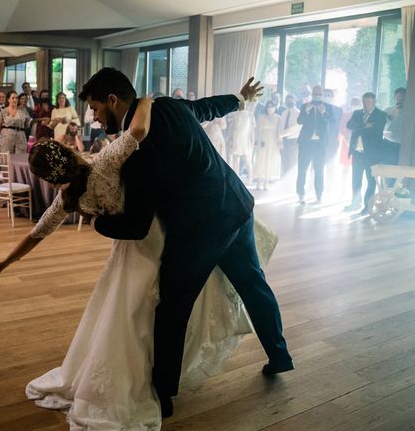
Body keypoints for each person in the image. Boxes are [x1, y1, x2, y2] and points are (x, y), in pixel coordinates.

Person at [0, 97, 275, 429]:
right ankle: (164, 379)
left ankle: (155, 384)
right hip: (159, 238)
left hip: (131, 252)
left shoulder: (68, 199)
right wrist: (146, 100)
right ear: (69, 152)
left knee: (137, 314)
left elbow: (38, 232)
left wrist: (5, 263)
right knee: (163, 311)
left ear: (49, 178)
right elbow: (137, 132)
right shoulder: (105, 161)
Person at [78, 68, 292, 419]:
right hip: (236, 205)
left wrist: (94, 219)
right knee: (254, 285)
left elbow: (136, 226)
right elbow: (204, 107)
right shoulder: (166, 106)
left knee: (172, 309)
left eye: (96, 108)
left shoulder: (135, 149)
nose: (95, 117)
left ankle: (163, 394)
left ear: (113, 101)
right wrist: (239, 100)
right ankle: (279, 354)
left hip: (199, 229)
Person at [345, 92, 386, 214]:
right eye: (364, 102)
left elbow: (376, 131)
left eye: (368, 102)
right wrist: (365, 125)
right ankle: (355, 203)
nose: (366, 105)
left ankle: (367, 206)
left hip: (372, 154)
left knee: (371, 181)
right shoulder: (357, 113)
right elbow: (348, 125)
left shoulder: (381, 114)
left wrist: (359, 126)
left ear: (374, 102)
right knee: (356, 179)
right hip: (357, 152)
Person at [296, 86, 333, 204]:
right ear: (312, 94)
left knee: (319, 170)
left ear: (322, 94)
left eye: (319, 93)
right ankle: (301, 194)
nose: (317, 95)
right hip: (305, 144)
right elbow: (299, 121)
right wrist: (306, 111)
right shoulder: (304, 106)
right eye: (315, 93)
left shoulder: (328, 107)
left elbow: (331, 121)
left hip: (320, 145)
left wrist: (323, 112)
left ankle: (319, 195)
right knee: (302, 170)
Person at [253, 100, 282, 190]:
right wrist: (258, 141)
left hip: (273, 142)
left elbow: (279, 132)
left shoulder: (278, 118)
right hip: (263, 141)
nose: (270, 109)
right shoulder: (262, 117)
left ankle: (266, 183)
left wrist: (280, 142)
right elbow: (258, 130)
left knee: (270, 161)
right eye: (268, 107)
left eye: (272, 107)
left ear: (275, 108)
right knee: (260, 160)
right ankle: (258, 182)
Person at [226, 101, 255, 183]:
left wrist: (252, 139)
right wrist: (230, 138)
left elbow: (252, 129)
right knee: (236, 158)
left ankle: (250, 178)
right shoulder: (234, 115)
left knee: (247, 158)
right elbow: (232, 128)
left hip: (245, 139)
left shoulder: (250, 115)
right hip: (236, 138)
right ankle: (237, 177)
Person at [382, 87, 405, 165]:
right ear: (395, 97)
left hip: (404, 146)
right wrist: (392, 116)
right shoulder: (388, 110)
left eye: (402, 98)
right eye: (398, 98)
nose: (400, 100)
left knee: (402, 171)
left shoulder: (411, 111)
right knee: (387, 169)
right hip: (389, 144)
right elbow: (381, 126)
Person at [279, 94, 300, 175]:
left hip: (293, 141)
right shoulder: (284, 113)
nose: (289, 101)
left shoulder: (298, 113)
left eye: (291, 100)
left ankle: (291, 183)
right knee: (284, 162)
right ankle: (284, 182)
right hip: (284, 141)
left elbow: (294, 129)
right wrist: (280, 138)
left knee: (292, 162)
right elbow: (281, 126)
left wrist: (281, 134)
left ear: (295, 101)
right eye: (288, 100)